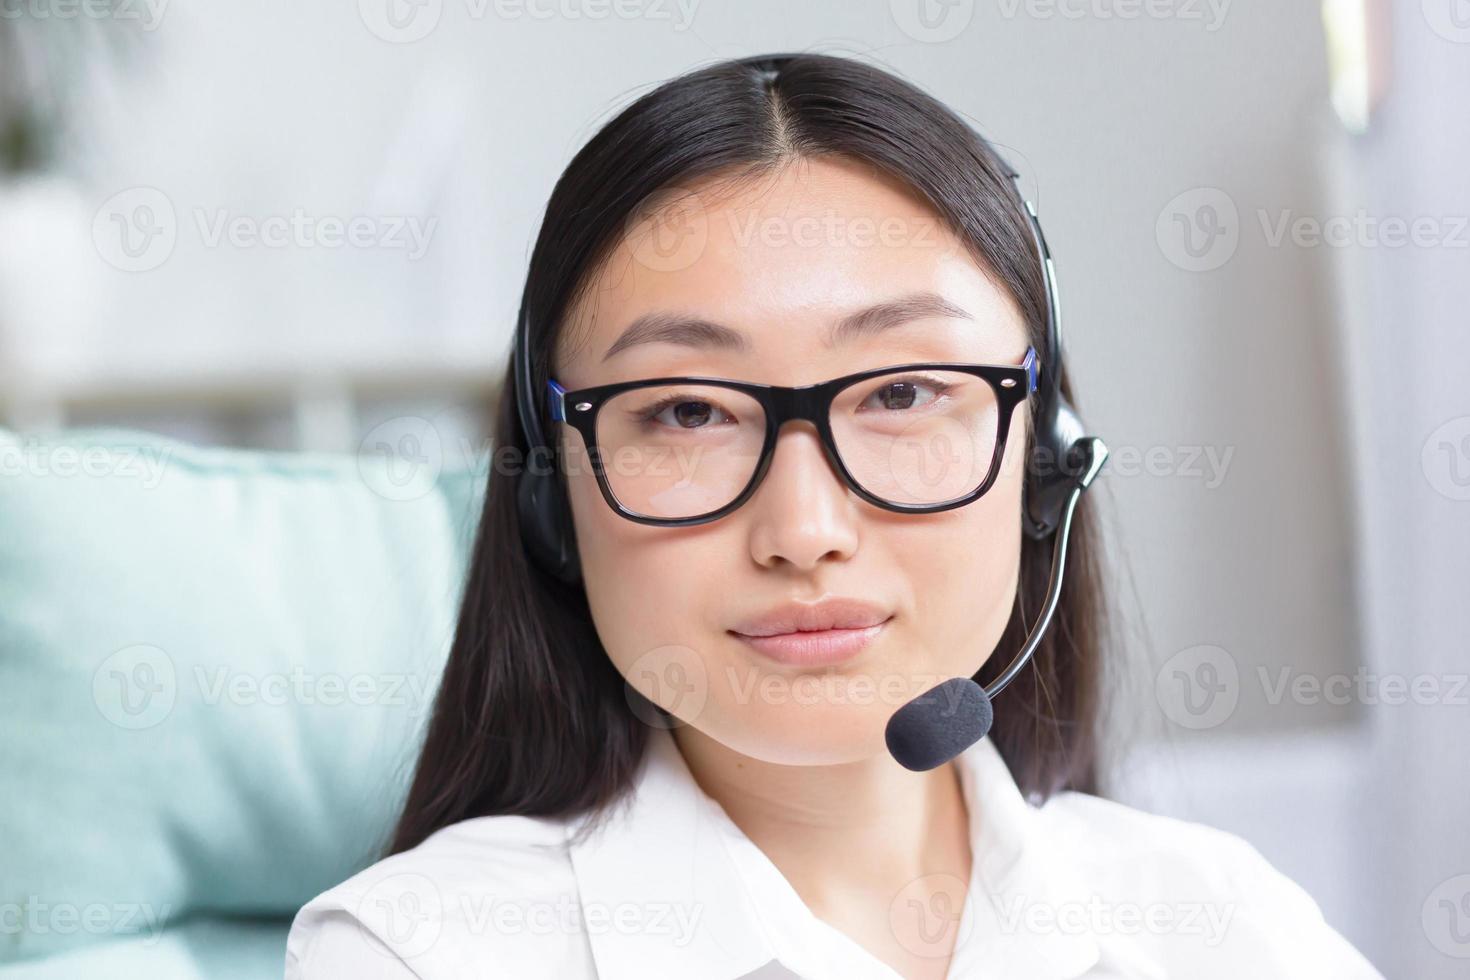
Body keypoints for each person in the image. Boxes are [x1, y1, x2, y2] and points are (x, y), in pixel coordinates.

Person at [285, 52, 1383, 979]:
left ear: (1044, 462)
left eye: (901, 393)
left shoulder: (1222, 923)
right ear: (549, 492)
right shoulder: (422, 953)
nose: (804, 527)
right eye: (686, 409)